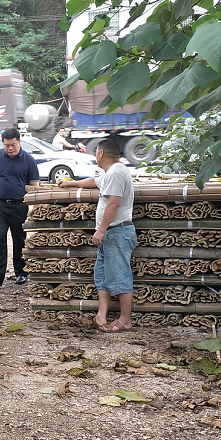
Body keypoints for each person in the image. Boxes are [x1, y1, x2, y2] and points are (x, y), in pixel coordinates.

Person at [58, 137, 136, 332]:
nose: (95, 155)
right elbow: (95, 181)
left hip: (117, 232)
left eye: (95, 152)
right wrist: (70, 184)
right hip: (110, 234)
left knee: (120, 276)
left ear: (101, 153)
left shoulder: (117, 172)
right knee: (102, 275)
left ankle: (125, 320)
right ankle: (101, 315)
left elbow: (114, 203)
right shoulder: (111, 172)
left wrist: (100, 230)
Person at [0, 128, 38, 287]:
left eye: (13, 145)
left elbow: (34, 185)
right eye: (6, 145)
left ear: (19, 142)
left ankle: (21, 273)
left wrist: (32, 206)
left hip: (19, 206)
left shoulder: (29, 160)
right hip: (0, 205)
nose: (10, 148)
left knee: (20, 240)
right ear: (2, 144)